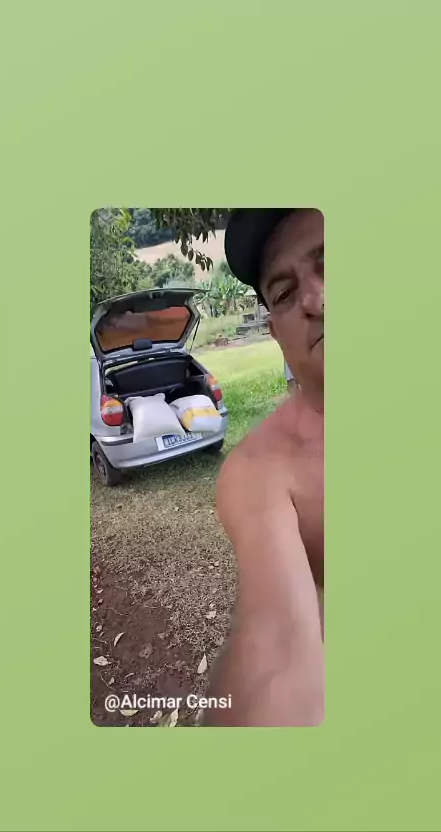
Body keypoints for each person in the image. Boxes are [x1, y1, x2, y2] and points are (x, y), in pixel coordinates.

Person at [204, 209, 324, 727]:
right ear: (274, 331)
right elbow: (276, 656)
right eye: (286, 292)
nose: (316, 299)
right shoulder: (259, 469)